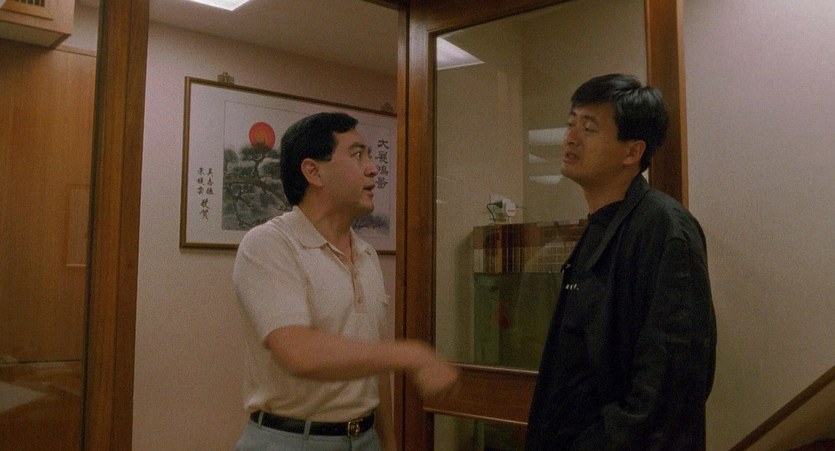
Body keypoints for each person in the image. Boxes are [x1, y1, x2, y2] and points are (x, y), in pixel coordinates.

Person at [233, 112, 459, 451]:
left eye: (369, 155)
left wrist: (389, 441)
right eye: (357, 155)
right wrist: (412, 354)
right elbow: (297, 351)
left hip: (365, 439)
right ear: (313, 172)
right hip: (290, 441)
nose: (373, 168)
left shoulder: (366, 254)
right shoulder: (269, 244)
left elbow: (371, 365)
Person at [525, 74, 716, 450]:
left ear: (632, 152)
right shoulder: (599, 226)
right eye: (571, 123)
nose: (571, 137)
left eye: (589, 128)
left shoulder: (664, 228)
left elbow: (669, 387)